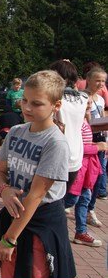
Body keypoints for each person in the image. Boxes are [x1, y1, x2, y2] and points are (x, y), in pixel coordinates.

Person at [0, 71, 76, 278]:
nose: (27, 108)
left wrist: (9, 240)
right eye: (25, 100)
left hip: (40, 227)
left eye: (37, 103)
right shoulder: (16, 132)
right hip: (13, 219)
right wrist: (4, 190)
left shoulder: (55, 143)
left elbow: (36, 195)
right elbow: (0, 173)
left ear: (56, 105)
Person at [63, 92, 103, 246]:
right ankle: (43, 219)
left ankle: (81, 232)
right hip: (78, 168)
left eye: (90, 103)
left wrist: (96, 145)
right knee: (70, 200)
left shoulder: (84, 121)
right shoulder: (76, 123)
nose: (89, 106)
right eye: (86, 103)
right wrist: (98, 147)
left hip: (87, 168)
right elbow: (75, 147)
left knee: (85, 199)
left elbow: (84, 143)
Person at [49, 60, 87, 195]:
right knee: (62, 196)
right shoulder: (84, 99)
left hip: (55, 153)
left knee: (48, 198)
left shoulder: (54, 99)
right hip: (75, 155)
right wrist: (69, 68)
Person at [86, 67, 108, 229]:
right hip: (87, 140)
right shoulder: (82, 97)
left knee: (99, 175)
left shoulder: (100, 99)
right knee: (81, 177)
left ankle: (90, 209)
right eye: (98, 80)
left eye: (103, 81)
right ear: (88, 80)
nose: (101, 84)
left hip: (100, 140)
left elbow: (101, 118)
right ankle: (71, 203)